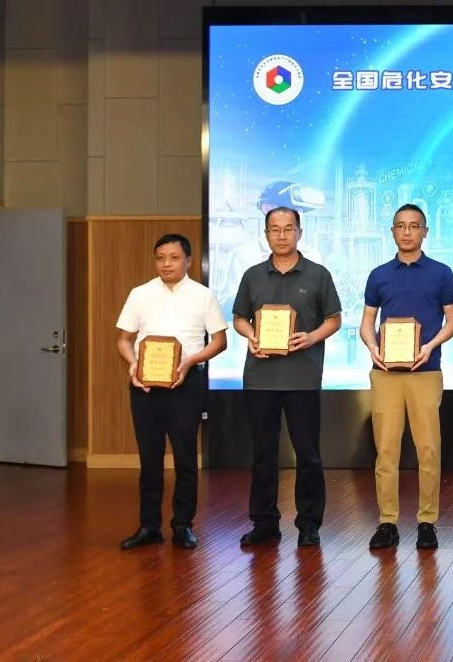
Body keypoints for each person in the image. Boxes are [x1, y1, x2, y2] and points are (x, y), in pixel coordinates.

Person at [231, 206, 342, 548]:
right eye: (275, 229)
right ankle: (265, 522)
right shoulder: (252, 275)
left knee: (307, 453)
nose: (282, 235)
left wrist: (311, 338)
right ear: (266, 234)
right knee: (263, 454)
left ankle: (309, 523)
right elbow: (239, 318)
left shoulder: (318, 274)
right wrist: (251, 335)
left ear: (299, 232)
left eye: (288, 228)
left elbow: (334, 319)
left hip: (303, 377)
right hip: (260, 379)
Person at [115, 234, 227, 550]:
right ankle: (149, 526)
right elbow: (123, 340)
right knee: (149, 459)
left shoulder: (203, 295)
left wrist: (191, 360)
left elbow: (220, 341)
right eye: (161, 258)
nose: (166, 264)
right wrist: (133, 364)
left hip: (185, 384)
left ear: (188, 261)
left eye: (174, 258)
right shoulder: (140, 294)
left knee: (185, 458)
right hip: (145, 385)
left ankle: (182, 525)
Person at [359, 204, 453, 551]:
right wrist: (373, 347)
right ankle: (387, 521)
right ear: (392, 231)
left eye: (414, 226)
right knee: (386, 449)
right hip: (385, 373)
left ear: (425, 232)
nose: (407, 232)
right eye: (400, 226)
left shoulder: (442, 273)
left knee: (428, 448)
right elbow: (367, 322)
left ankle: (427, 521)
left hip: (425, 371)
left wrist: (430, 346)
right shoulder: (378, 275)